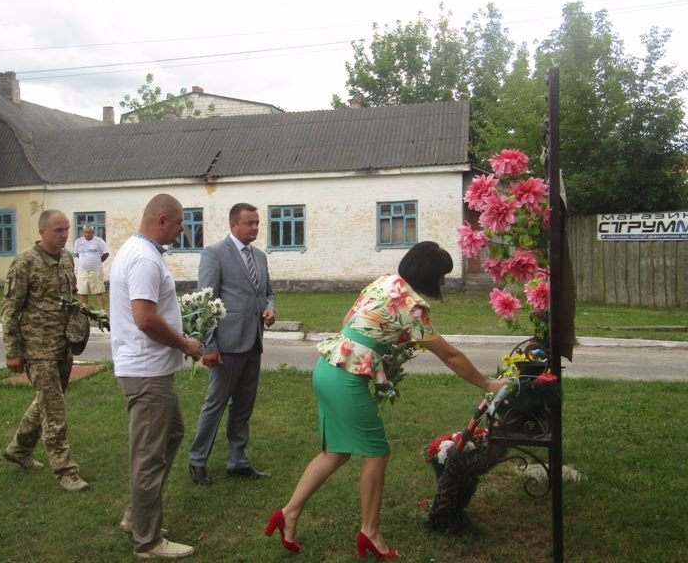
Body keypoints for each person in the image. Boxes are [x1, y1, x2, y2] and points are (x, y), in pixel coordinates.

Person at [263, 241, 508, 559]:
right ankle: (369, 532)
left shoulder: (386, 282)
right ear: (429, 274)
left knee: (335, 452)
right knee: (377, 453)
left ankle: (289, 514)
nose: (443, 282)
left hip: (327, 368)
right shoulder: (413, 306)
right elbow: (449, 354)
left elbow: (356, 323)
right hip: (345, 377)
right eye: (441, 276)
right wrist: (487, 383)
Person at [110, 193, 203, 560]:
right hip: (146, 373)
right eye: (179, 223)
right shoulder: (144, 259)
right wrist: (184, 343)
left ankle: (138, 515)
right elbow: (145, 319)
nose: (182, 230)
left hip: (151, 370)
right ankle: (147, 540)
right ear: (161, 220)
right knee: (149, 458)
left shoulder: (139, 251)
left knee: (172, 434)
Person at [187, 203, 276, 487]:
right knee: (216, 404)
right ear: (233, 224)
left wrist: (270, 309)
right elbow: (205, 302)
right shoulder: (214, 254)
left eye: (257, 223)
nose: (255, 228)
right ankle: (197, 460)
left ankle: (238, 461)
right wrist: (209, 345)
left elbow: (268, 293)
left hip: (253, 342)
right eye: (250, 223)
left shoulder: (259, 256)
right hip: (226, 345)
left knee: (243, 406)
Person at [1, 209, 90, 492]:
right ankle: (66, 471)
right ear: (42, 232)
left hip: (63, 345)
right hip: (38, 348)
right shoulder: (25, 262)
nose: (64, 235)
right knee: (54, 410)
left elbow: (71, 297)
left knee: (47, 401)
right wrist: (13, 351)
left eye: (66, 230)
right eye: (58, 231)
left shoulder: (66, 258)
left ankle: (19, 449)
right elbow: (10, 310)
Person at [73, 224, 109, 311]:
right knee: (82, 292)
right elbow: (77, 254)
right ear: (83, 232)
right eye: (85, 232)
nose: (87, 234)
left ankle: (102, 312)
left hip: (96, 270)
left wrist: (97, 261)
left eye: (89, 232)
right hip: (82, 270)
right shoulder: (78, 242)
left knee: (99, 292)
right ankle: (85, 311)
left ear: (93, 232)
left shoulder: (99, 241)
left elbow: (106, 253)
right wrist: (85, 261)